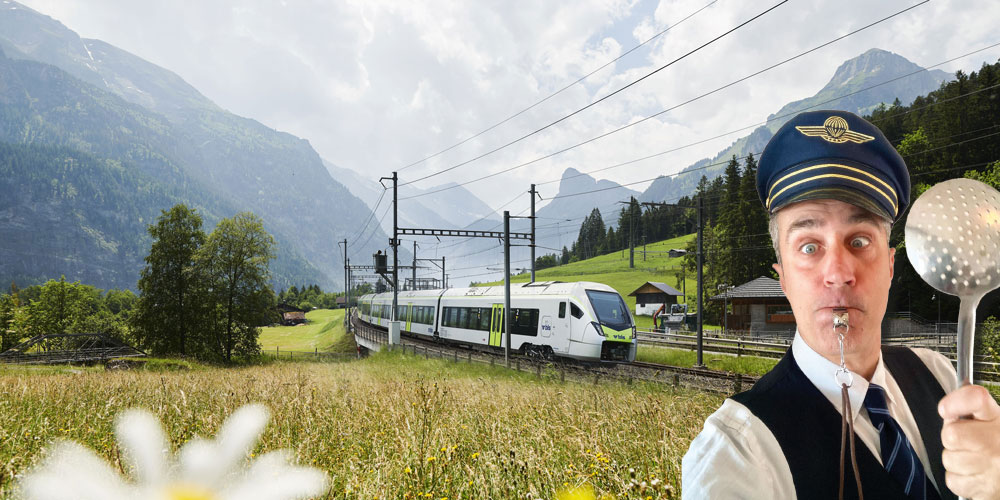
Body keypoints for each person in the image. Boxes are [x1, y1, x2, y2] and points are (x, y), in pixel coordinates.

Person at [681, 110, 1000, 499]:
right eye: (810, 246)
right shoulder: (737, 455)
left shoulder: (938, 375)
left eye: (860, 241)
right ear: (782, 277)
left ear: (890, 266)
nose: (838, 272)